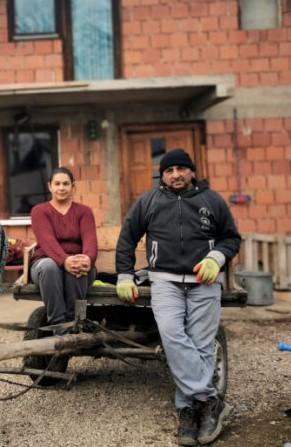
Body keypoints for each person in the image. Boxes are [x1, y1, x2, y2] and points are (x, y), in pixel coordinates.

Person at [115, 149, 241, 446]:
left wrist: (216, 258)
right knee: (172, 336)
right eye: (169, 170)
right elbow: (127, 238)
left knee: (200, 345)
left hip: (204, 281)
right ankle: (210, 400)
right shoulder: (149, 201)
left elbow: (231, 238)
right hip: (165, 281)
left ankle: (187, 408)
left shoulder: (212, 200)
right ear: (163, 175)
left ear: (191, 172)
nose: (175, 175)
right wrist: (124, 274)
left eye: (181, 169)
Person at [30, 167, 98, 335]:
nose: (61, 188)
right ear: (50, 187)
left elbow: (90, 240)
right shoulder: (39, 211)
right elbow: (47, 241)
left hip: (77, 265)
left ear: (73, 187)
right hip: (45, 262)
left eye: (66, 184)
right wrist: (64, 260)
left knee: (79, 266)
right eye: (57, 184)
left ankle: (76, 321)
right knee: (49, 267)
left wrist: (88, 259)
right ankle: (59, 327)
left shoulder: (84, 212)